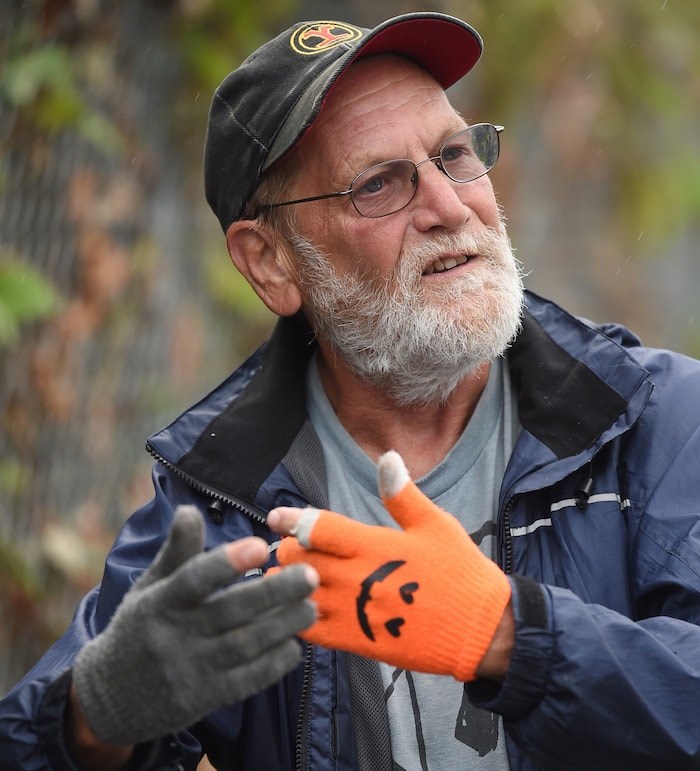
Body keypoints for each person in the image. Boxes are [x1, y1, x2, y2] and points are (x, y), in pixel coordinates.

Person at [1, 10, 699, 770]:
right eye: (378, 184)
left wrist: (504, 631)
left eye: (454, 154)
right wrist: (96, 723)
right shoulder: (222, 503)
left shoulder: (657, 422)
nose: (448, 205)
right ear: (270, 261)